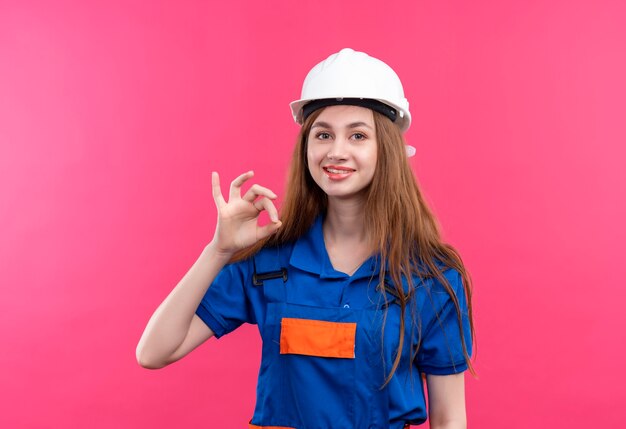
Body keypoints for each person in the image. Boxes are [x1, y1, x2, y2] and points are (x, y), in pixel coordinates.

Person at [137, 48, 474, 429]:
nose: (336, 151)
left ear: (389, 151)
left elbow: (449, 419)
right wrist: (219, 250)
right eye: (323, 134)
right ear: (306, 148)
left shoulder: (430, 276)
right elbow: (153, 352)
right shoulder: (269, 263)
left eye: (358, 135)